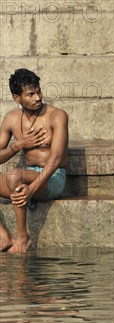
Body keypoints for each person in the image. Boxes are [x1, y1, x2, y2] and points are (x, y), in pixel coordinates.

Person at [0, 68, 69, 253]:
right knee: (16, 176)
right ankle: (4, 237)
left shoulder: (57, 115)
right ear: (17, 98)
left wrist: (31, 189)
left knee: (15, 175)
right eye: (31, 94)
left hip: (53, 178)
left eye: (38, 91)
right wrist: (18, 145)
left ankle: (23, 237)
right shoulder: (11, 119)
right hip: (24, 177)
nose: (38, 97)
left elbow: (55, 159)